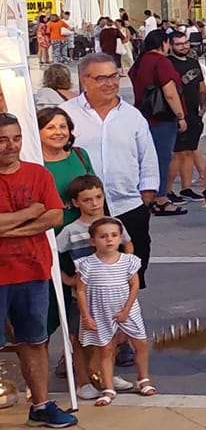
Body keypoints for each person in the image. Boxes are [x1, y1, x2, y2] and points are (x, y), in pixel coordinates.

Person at [0, 114, 71, 426]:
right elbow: (42, 212)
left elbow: (55, 216)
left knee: (35, 340)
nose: (11, 146)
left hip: (33, 270)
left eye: (16, 138)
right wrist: (30, 213)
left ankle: (40, 404)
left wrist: (8, 228)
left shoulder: (38, 174)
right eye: (2, 140)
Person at [64, 53, 159, 284]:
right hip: (83, 209)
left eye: (114, 76)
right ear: (85, 80)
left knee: (132, 273)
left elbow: (147, 157)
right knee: (87, 279)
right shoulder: (67, 114)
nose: (110, 83)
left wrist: (146, 195)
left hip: (128, 206)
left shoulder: (132, 116)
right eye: (102, 78)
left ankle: (127, 315)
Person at [73, 216, 146, 404]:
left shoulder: (128, 261)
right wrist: (86, 316)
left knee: (140, 342)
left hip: (126, 309)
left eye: (114, 235)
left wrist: (126, 310)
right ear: (93, 241)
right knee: (106, 348)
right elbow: (80, 290)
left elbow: (134, 286)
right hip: (100, 311)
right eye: (103, 236)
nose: (110, 239)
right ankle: (108, 388)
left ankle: (143, 379)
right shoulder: (86, 264)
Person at [129, 29, 188, 216]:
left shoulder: (140, 62)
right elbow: (169, 91)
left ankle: (148, 195)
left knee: (145, 158)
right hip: (161, 116)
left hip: (142, 115)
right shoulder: (161, 62)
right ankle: (161, 198)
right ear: (164, 43)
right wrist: (180, 116)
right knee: (162, 158)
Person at [165, 30, 206, 202]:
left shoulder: (193, 62)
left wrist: (203, 106)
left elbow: (201, 86)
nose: (183, 47)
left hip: (193, 112)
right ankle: (167, 190)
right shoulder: (167, 63)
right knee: (177, 153)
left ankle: (186, 188)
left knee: (190, 151)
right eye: (179, 44)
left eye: (185, 43)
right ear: (170, 45)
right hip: (177, 113)